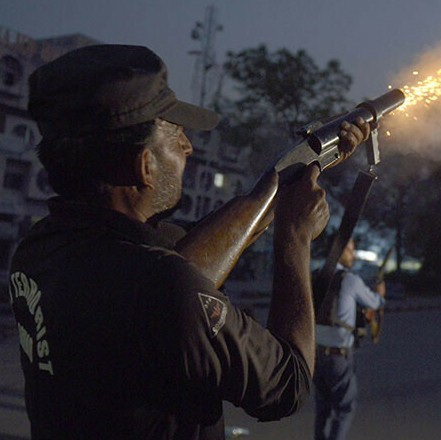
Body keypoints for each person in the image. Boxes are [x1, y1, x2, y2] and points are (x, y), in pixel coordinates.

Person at [8, 44, 370, 439]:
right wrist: (295, 237)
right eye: (176, 134)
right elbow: (289, 384)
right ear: (144, 166)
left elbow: (183, 249)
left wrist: (285, 185)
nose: (188, 147)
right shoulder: (162, 285)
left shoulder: (39, 250)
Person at [313, 238, 385, 440]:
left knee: (322, 409)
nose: (353, 255)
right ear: (341, 251)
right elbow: (374, 302)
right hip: (338, 356)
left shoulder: (315, 276)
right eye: (351, 250)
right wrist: (380, 294)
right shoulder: (350, 280)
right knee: (344, 409)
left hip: (315, 354)